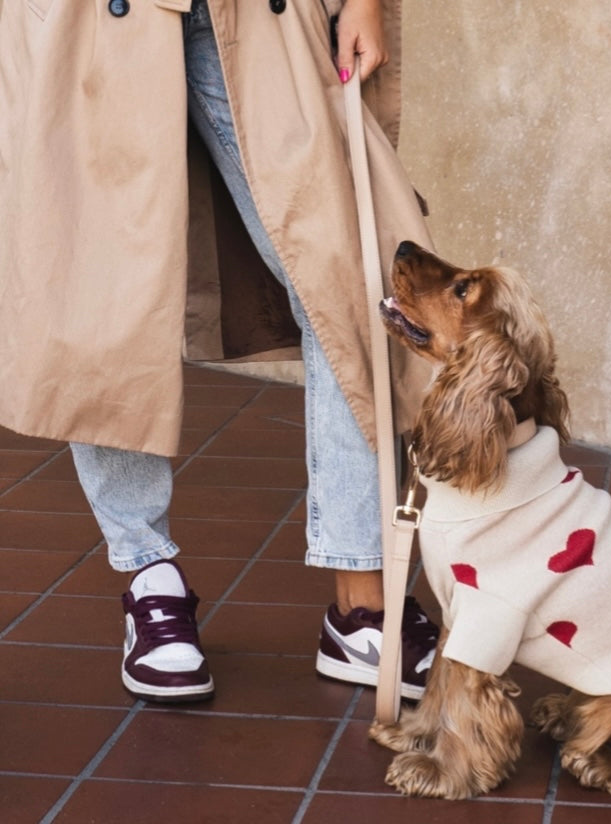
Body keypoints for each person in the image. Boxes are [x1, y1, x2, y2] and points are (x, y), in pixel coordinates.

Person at [0, 0, 438, 702]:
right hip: (88, 22)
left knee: (355, 277)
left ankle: (363, 603)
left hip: (265, 15)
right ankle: (150, 580)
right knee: (99, 293)